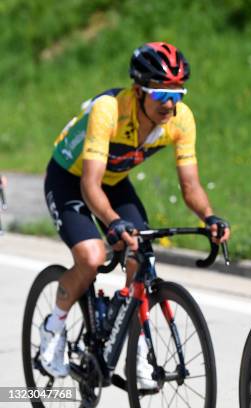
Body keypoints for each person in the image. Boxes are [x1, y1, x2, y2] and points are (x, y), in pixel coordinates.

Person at [40, 42, 230, 387]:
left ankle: (137, 351)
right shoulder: (108, 110)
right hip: (71, 179)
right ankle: (53, 326)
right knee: (92, 255)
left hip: (114, 182)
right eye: (160, 96)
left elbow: (190, 186)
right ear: (139, 92)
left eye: (177, 94)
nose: (170, 105)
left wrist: (209, 217)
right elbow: (90, 184)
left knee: (140, 254)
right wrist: (112, 223)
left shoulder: (181, 119)